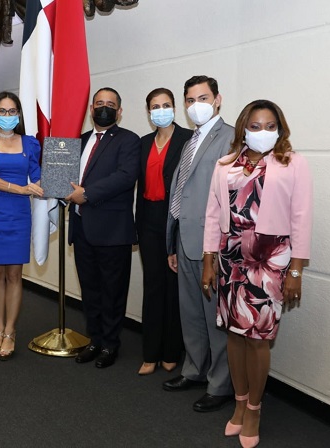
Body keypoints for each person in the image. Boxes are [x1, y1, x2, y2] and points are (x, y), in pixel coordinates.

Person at [202, 100, 313, 447]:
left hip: (271, 258)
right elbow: (212, 213)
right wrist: (208, 259)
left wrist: (296, 268)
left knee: (259, 337)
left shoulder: (292, 163)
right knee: (234, 335)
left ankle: (254, 408)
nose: (262, 132)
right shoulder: (225, 165)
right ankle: (237, 403)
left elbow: (301, 217)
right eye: (255, 125)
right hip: (230, 256)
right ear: (243, 128)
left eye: (269, 125)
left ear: (279, 128)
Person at [163, 75, 235, 411]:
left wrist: (217, 248)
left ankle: (220, 385)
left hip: (213, 247)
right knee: (190, 313)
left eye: (203, 98)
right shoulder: (191, 140)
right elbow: (183, 191)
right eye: (190, 100)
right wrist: (172, 242)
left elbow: (232, 196)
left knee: (215, 318)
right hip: (184, 239)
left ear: (218, 100)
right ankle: (194, 370)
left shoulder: (231, 137)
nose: (196, 106)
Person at [66, 87, 140, 369]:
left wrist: (87, 194)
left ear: (119, 111)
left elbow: (125, 176)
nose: (104, 108)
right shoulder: (80, 141)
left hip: (112, 230)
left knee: (112, 291)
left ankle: (110, 344)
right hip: (82, 228)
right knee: (90, 290)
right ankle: (95, 340)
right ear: (91, 109)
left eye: (111, 104)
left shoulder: (129, 140)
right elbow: (67, 177)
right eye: (99, 103)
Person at [0, 91, 44, 361]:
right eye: (2, 111)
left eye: (12, 111)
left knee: (15, 275)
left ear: (19, 115)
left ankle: (10, 331)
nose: (7, 116)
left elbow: (37, 177)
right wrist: (20, 188)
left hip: (19, 215)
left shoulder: (30, 143)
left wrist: (55, 182)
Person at [135, 88, 193, 375]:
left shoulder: (187, 140)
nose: (160, 110)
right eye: (155, 106)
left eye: (166, 105)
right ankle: (150, 352)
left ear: (175, 108)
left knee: (173, 290)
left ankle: (171, 350)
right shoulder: (144, 143)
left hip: (175, 221)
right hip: (148, 220)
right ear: (148, 112)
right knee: (153, 286)